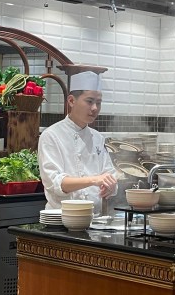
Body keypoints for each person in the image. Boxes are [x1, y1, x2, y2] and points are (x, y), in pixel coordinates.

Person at [38, 71, 118, 212]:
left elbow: (110, 174)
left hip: (94, 218)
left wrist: (111, 186)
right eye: (89, 101)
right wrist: (94, 180)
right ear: (71, 101)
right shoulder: (51, 135)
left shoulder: (98, 138)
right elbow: (55, 183)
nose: (95, 108)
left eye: (98, 103)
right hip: (61, 218)